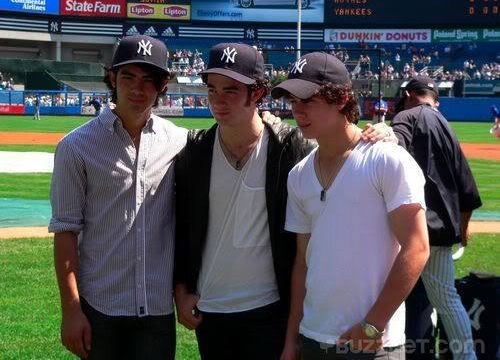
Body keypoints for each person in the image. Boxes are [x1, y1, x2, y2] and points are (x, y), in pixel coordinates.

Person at [271, 52, 430, 359]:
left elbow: (417, 247)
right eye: (293, 101)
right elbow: (303, 262)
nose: (298, 111)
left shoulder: (386, 159)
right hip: (314, 338)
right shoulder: (299, 175)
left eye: (308, 100)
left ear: (341, 99)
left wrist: (373, 325)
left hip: (373, 343)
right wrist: (293, 338)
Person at [173, 42, 316, 360]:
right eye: (212, 90)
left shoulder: (289, 149)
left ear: (259, 93)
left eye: (231, 91)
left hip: (269, 311)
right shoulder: (194, 151)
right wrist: (181, 290)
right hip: (210, 311)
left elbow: (342, 147)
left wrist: (379, 134)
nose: (218, 101)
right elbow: (182, 227)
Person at [49, 35, 187, 359]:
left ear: (162, 85)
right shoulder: (75, 147)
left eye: (149, 80)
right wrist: (71, 310)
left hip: (156, 310)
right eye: (128, 77)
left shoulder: (180, 142)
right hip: (100, 308)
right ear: (112, 78)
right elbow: (65, 231)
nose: (138, 89)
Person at [392, 76, 482, 360]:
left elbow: (391, 160)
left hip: (408, 227)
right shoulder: (446, 126)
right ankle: (465, 356)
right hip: (440, 230)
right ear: (436, 99)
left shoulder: (405, 116)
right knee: (444, 299)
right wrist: (463, 229)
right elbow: (468, 190)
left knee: (389, 294)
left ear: (408, 94)